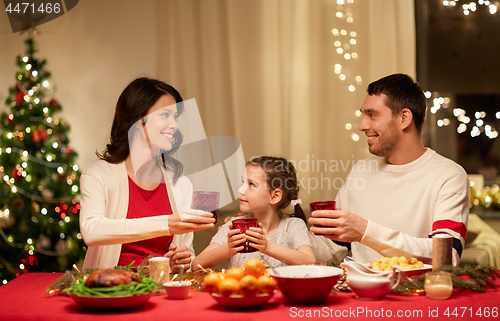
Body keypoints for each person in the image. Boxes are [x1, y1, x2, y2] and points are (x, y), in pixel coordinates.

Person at [309, 73, 469, 265]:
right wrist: (275, 234)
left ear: (404, 118)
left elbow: (446, 255)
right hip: (358, 291)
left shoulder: (448, 176)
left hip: (416, 292)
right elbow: (333, 248)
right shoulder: (360, 171)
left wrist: (365, 231)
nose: (362, 126)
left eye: (372, 115)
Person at [80, 77, 215, 272]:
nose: (174, 125)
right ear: (137, 118)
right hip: (109, 290)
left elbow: (187, 257)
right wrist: (168, 223)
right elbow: (91, 231)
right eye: (165, 115)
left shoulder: (181, 184)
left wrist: (179, 262)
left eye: (175, 117)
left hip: (161, 289)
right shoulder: (98, 175)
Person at [192, 156, 316, 270]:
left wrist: (266, 246)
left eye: (251, 184)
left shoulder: (292, 226)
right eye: (242, 183)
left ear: (275, 196)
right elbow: (196, 265)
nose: (240, 190)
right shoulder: (233, 226)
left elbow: (310, 262)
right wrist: (228, 249)